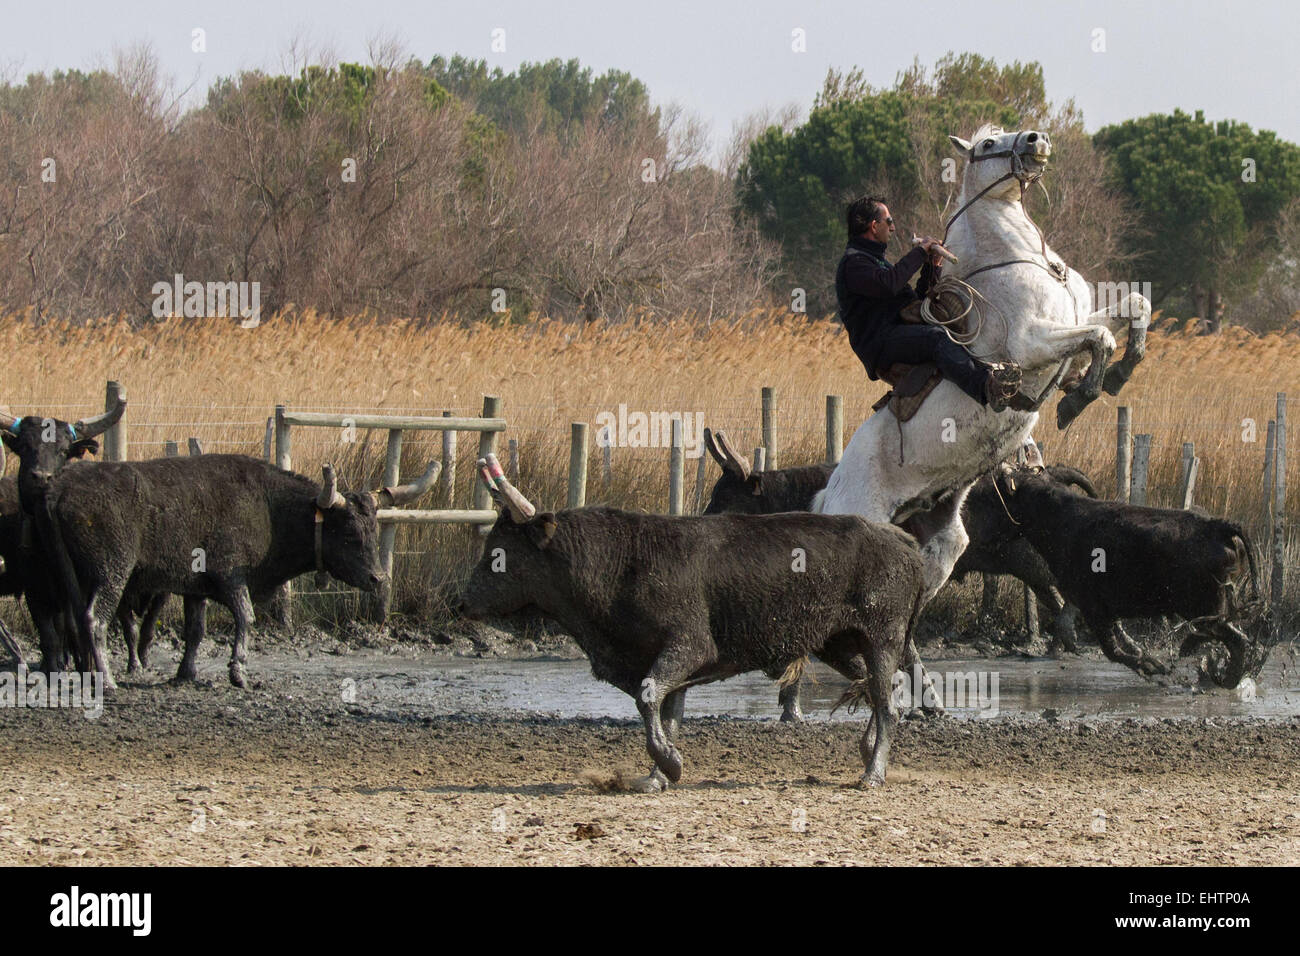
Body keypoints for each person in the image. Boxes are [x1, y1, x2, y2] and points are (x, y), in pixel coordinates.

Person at [835, 196, 1023, 411]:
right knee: (937, 339)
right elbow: (889, 285)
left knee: (950, 332)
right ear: (874, 226)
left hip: (896, 332)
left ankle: (997, 376)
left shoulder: (876, 262)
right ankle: (985, 388)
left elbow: (916, 303)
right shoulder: (854, 264)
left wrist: (932, 266)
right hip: (880, 343)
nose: (893, 227)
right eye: (889, 221)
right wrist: (919, 252)